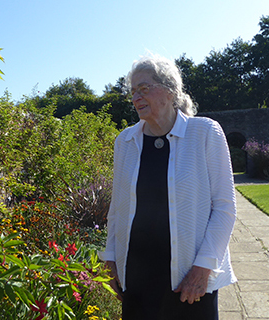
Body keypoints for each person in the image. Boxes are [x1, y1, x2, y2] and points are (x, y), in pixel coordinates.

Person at [98, 54, 237, 320]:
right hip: (137, 276)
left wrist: (203, 269)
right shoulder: (125, 141)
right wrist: (111, 259)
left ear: (171, 90)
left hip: (188, 278)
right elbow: (117, 207)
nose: (136, 97)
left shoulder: (205, 133)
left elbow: (224, 207)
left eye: (144, 88)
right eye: (133, 91)